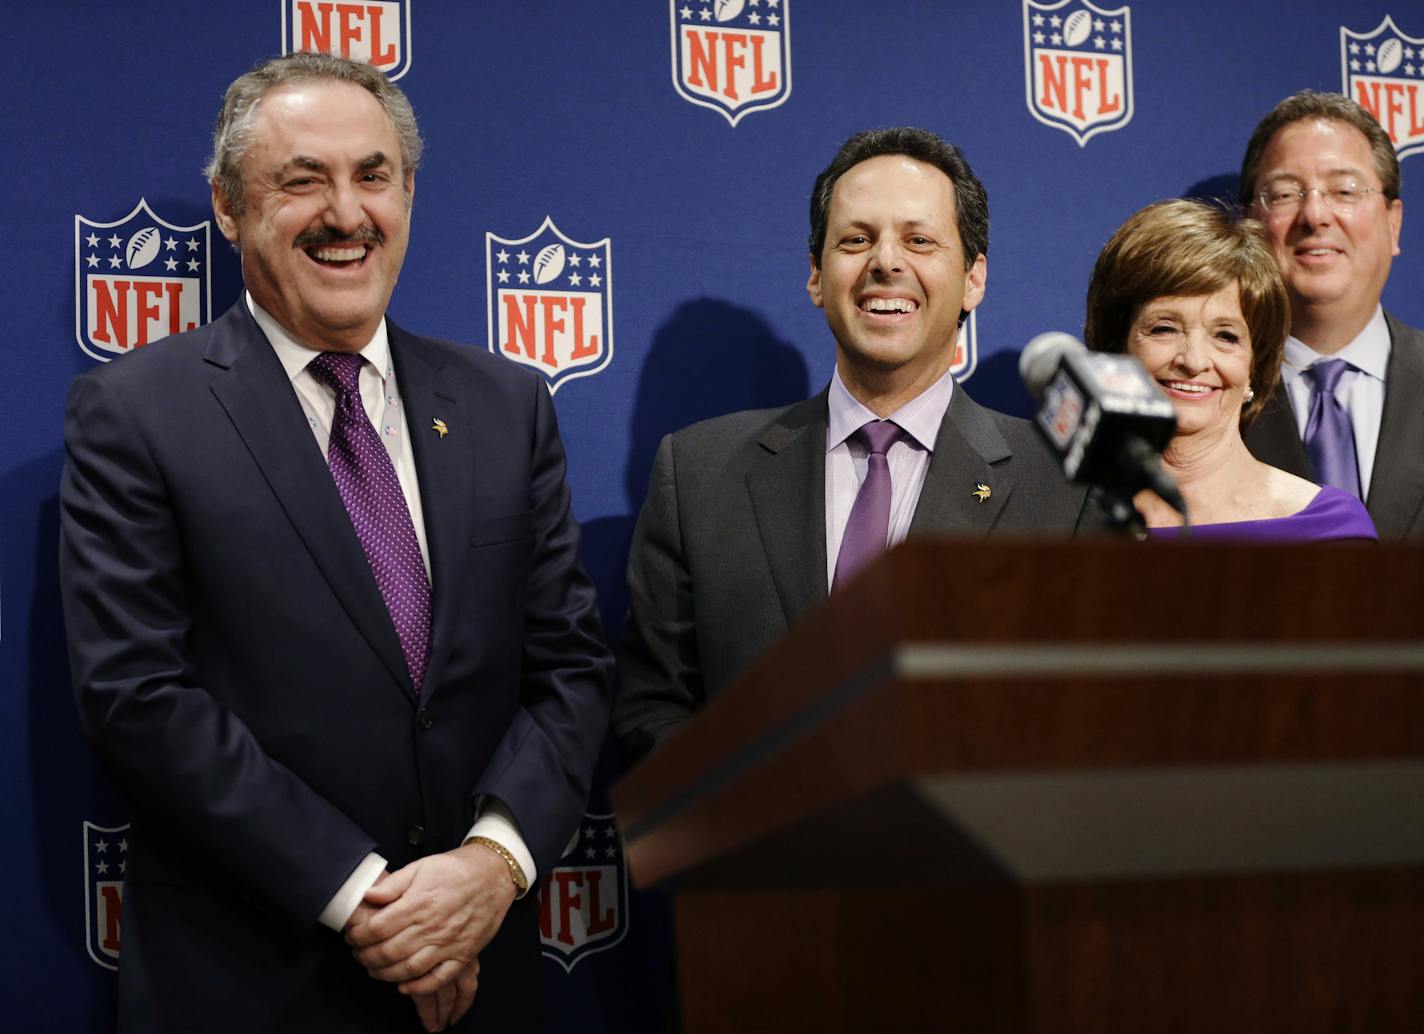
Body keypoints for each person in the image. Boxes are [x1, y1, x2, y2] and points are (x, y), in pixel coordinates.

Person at [59, 52, 611, 1033]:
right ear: (228, 207)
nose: (345, 213)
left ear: (408, 193)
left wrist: (492, 864)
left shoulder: (505, 403)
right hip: (251, 981)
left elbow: (568, 666)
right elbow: (137, 695)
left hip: (484, 981)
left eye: (373, 175)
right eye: (302, 179)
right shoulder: (136, 413)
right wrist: (365, 896)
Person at [613, 127, 1093, 764]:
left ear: (974, 278)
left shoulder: (1065, 489)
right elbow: (651, 707)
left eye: (919, 240)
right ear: (816, 276)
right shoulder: (699, 474)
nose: (886, 262)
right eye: (855, 240)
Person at [1084, 199, 1376, 541]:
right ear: (1117, 346)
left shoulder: (1327, 529)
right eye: (1164, 328)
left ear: (1255, 364)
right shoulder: (1052, 511)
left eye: (1226, 336)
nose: (1193, 361)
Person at [1237, 91, 1422, 538]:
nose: (1316, 214)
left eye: (1345, 190)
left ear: (1393, 223)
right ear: (1250, 225)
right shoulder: (1207, 390)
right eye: (1284, 193)